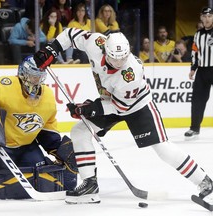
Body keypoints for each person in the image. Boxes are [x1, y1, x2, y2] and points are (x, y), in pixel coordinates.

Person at [32, 28, 213, 205]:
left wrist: (90, 109)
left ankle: (205, 182)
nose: (119, 63)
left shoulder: (130, 74)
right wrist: (52, 48)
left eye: (123, 58)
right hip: (110, 100)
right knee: (80, 132)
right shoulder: (96, 42)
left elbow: (120, 107)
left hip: (137, 105)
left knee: (162, 148)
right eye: (114, 59)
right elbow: (71, 34)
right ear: (104, 50)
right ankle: (90, 185)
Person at [0, 56, 77, 191]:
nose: (36, 80)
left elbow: (46, 130)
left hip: (27, 146)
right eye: (33, 76)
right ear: (23, 73)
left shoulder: (47, 96)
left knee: (40, 176)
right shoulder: (5, 84)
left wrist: (58, 149)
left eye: (39, 77)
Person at [184, 7, 213, 139]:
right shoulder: (198, 34)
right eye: (204, 16)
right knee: (197, 100)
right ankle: (194, 128)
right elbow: (195, 52)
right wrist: (193, 68)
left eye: (209, 16)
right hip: (202, 71)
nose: (207, 19)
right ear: (201, 18)